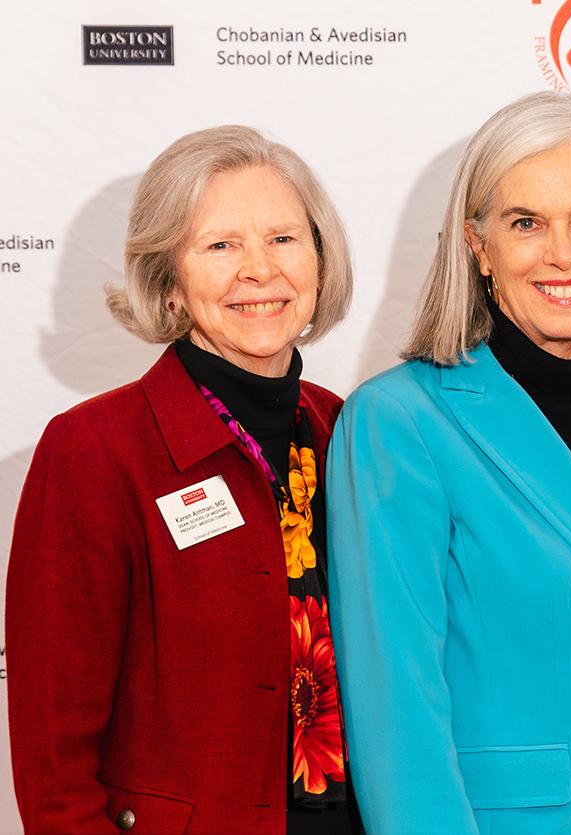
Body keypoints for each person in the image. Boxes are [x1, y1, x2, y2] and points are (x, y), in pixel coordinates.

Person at [327, 91, 571, 834]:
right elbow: (398, 715)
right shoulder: (399, 420)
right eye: (526, 223)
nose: (564, 253)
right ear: (477, 243)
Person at [6, 125, 360, 834]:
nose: (258, 270)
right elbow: (53, 755)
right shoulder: (94, 451)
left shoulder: (344, 429)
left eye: (284, 239)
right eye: (221, 244)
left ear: (321, 263)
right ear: (169, 279)